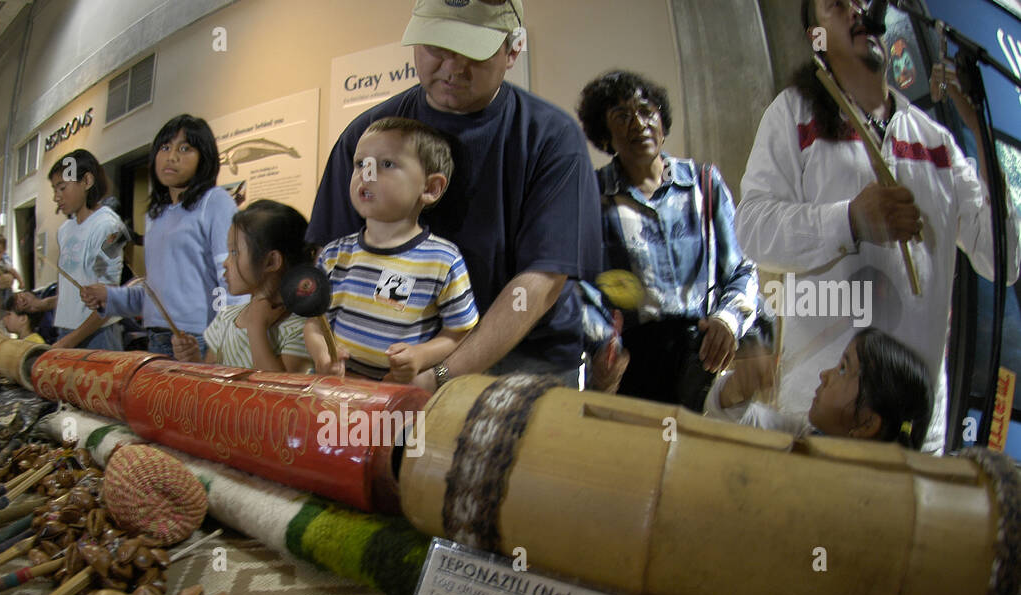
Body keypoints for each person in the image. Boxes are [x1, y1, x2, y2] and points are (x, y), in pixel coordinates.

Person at [737, 0, 1021, 453]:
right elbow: (752, 228)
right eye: (835, 4)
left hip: (915, 427)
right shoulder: (793, 115)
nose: (856, 8)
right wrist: (850, 219)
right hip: (820, 414)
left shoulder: (936, 142)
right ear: (817, 39)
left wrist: (977, 131)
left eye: (862, 1)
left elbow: (1002, 260)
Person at [307, 0, 599, 391]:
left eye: (472, 51)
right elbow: (332, 260)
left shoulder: (552, 138)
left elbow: (543, 279)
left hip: (525, 357)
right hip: (391, 366)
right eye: (437, 47)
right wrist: (327, 350)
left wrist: (441, 373)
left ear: (512, 50)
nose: (452, 67)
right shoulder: (367, 137)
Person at [578, 70, 758, 410]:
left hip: (704, 359)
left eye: (647, 112)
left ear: (662, 119)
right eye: (621, 116)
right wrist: (605, 342)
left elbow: (742, 270)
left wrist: (727, 321)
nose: (639, 124)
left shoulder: (705, 184)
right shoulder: (591, 196)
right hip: (632, 367)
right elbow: (578, 284)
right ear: (604, 135)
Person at [304, 117, 478, 381]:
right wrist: (321, 354)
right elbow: (314, 323)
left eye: (386, 164)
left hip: (401, 400)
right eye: (361, 164)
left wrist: (421, 356)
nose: (367, 174)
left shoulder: (443, 260)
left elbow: (459, 332)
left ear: (431, 188)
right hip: (339, 391)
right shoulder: (333, 255)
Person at [81, 115, 242, 357]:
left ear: (204, 157)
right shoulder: (156, 215)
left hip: (200, 340)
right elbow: (154, 292)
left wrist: (222, 342)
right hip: (157, 338)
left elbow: (232, 281)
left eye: (185, 148)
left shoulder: (215, 201)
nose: (172, 156)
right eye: (165, 147)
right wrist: (110, 297)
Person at [707, 328, 932, 448]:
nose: (825, 375)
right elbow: (744, 421)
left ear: (867, 424)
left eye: (843, 369)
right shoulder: (800, 436)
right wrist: (739, 388)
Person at [172, 200, 313, 372]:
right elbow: (210, 381)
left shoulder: (303, 328)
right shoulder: (226, 318)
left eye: (234, 252)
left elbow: (276, 391)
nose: (225, 263)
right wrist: (193, 360)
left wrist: (256, 328)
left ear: (271, 261)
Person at [47, 149, 125, 350]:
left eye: (62, 188)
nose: (56, 197)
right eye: (54, 189)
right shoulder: (65, 230)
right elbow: (71, 291)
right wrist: (39, 304)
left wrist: (68, 342)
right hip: (67, 332)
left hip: (99, 337)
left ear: (87, 181)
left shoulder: (112, 228)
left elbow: (110, 301)